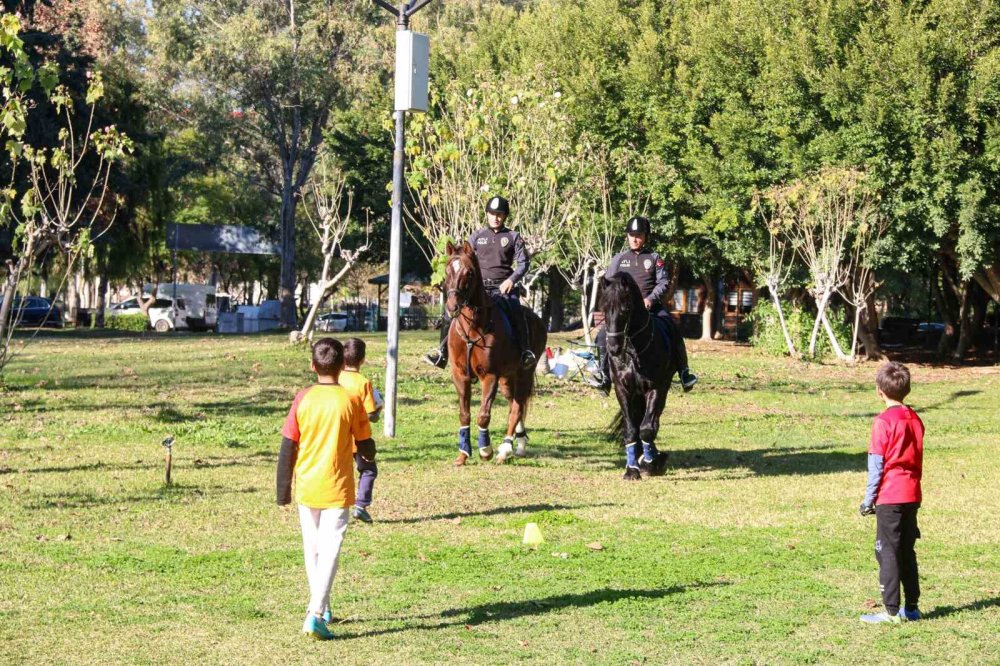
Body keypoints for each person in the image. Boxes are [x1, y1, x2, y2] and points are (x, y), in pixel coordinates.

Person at [275, 338, 375, 640]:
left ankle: (323, 605)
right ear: (343, 365)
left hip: (307, 486)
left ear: (312, 365)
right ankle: (316, 614)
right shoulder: (350, 400)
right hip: (337, 486)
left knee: (313, 548)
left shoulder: (302, 398)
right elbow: (365, 443)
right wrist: (369, 458)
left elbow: (288, 446)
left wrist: (283, 490)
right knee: (330, 548)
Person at [423, 195, 536, 370]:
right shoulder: (477, 236)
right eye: (492, 214)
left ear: (505, 216)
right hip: (479, 288)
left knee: (516, 311)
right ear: (487, 214)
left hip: (504, 288)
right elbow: (464, 258)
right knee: (450, 311)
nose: (495, 218)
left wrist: (511, 280)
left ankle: (525, 352)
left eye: (499, 214)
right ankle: (442, 353)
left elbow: (523, 263)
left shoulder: (513, 237)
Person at [588, 215, 697, 393]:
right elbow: (609, 283)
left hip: (650, 308)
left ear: (646, 237)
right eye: (632, 235)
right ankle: (603, 374)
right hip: (625, 311)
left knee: (672, 328)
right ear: (627, 236)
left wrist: (650, 299)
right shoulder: (618, 259)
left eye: (638, 235)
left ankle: (684, 372)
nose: (635, 239)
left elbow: (663, 283)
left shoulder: (654, 258)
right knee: (602, 335)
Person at [859, 361, 924, 624]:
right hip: (912, 494)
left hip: (890, 496)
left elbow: (876, 466)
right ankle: (912, 608)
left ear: (879, 391)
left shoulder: (883, 422)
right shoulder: (915, 419)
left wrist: (868, 501)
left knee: (887, 551)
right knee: (907, 550)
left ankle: (891, 611)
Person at [339, 338, 383, 524]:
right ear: (363, 359)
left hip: (338, 435)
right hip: (360, 438)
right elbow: (371, 414)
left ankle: (336, 505)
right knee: (368, 470)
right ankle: (360, 505)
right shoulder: (363, 383)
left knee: (339, 470)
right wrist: (379, 408)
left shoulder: (336, 378)